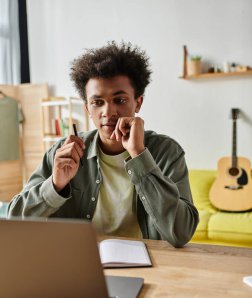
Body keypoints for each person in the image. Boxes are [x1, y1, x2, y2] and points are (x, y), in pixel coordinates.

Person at [8, 41, 199, 247]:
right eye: (97, 102)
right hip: (79, 263)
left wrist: (139, 155)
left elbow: (181, 233)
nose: (108, 112)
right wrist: (55, 185)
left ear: (138, 102)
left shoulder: (167, 152)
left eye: (120, 100)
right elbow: (14, 219)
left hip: (151, 264)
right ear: (88, 108)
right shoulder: (64, 152)